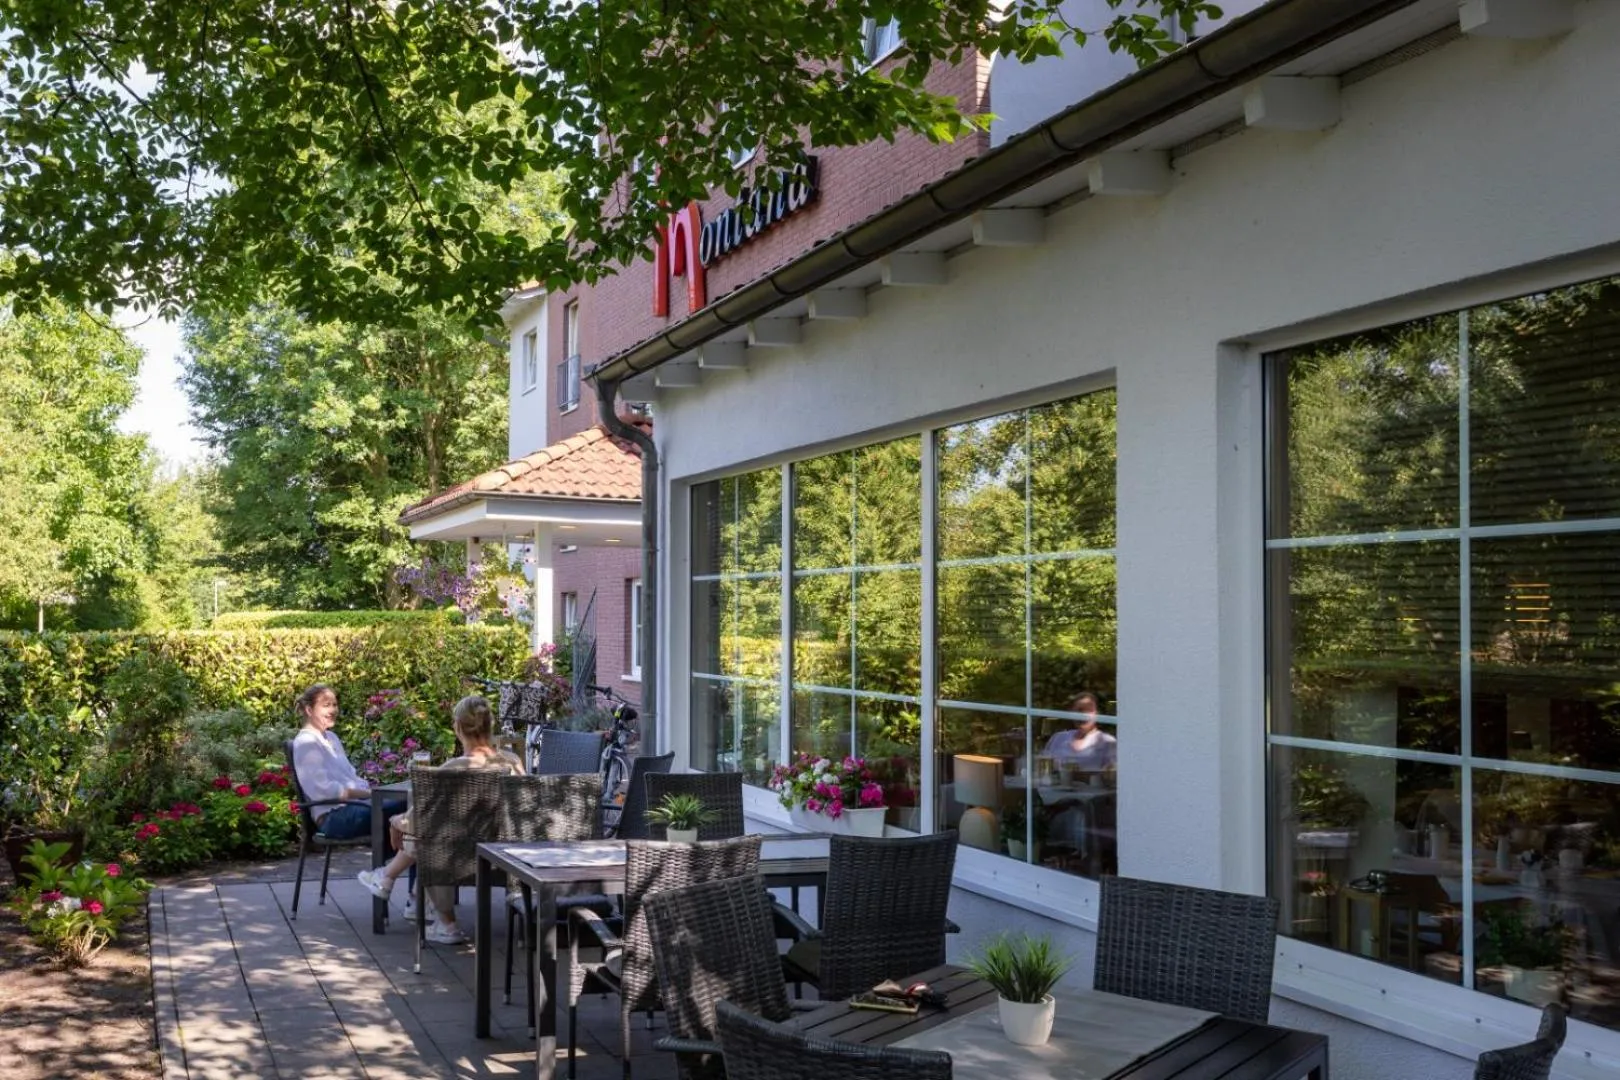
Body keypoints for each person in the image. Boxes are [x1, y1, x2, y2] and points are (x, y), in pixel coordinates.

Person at [357, 695, 524, 945]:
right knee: (435, 832)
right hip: (506, 858)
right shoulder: (513, 762)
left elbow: (422, 816)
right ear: (490, 726)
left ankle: (446, 922)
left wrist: (397, 822)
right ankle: (412, 897)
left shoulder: (453, 768)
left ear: (457, 728)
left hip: (457, 861)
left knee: (429, 838)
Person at [290, 684, 407, 839]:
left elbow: (351, 777)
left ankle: (402, 860)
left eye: (334, 705)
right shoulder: (306, 743)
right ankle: (395, 862)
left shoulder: (331, 738)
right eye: (326, 705)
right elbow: (325, 791)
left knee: (410, 805)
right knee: (406, 805)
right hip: (334, 817)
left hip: (354, 807)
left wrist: (374, 793)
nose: (333, 710)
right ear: (309, 710)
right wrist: (370, 794)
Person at [1039, 691, 1117, 773]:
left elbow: (1114, 777)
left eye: (1088, 711)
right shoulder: (1058, 738)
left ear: (1097, 714)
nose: (1083, 715)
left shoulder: (1107, 741)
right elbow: (1044, 769)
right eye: (1079, 710)